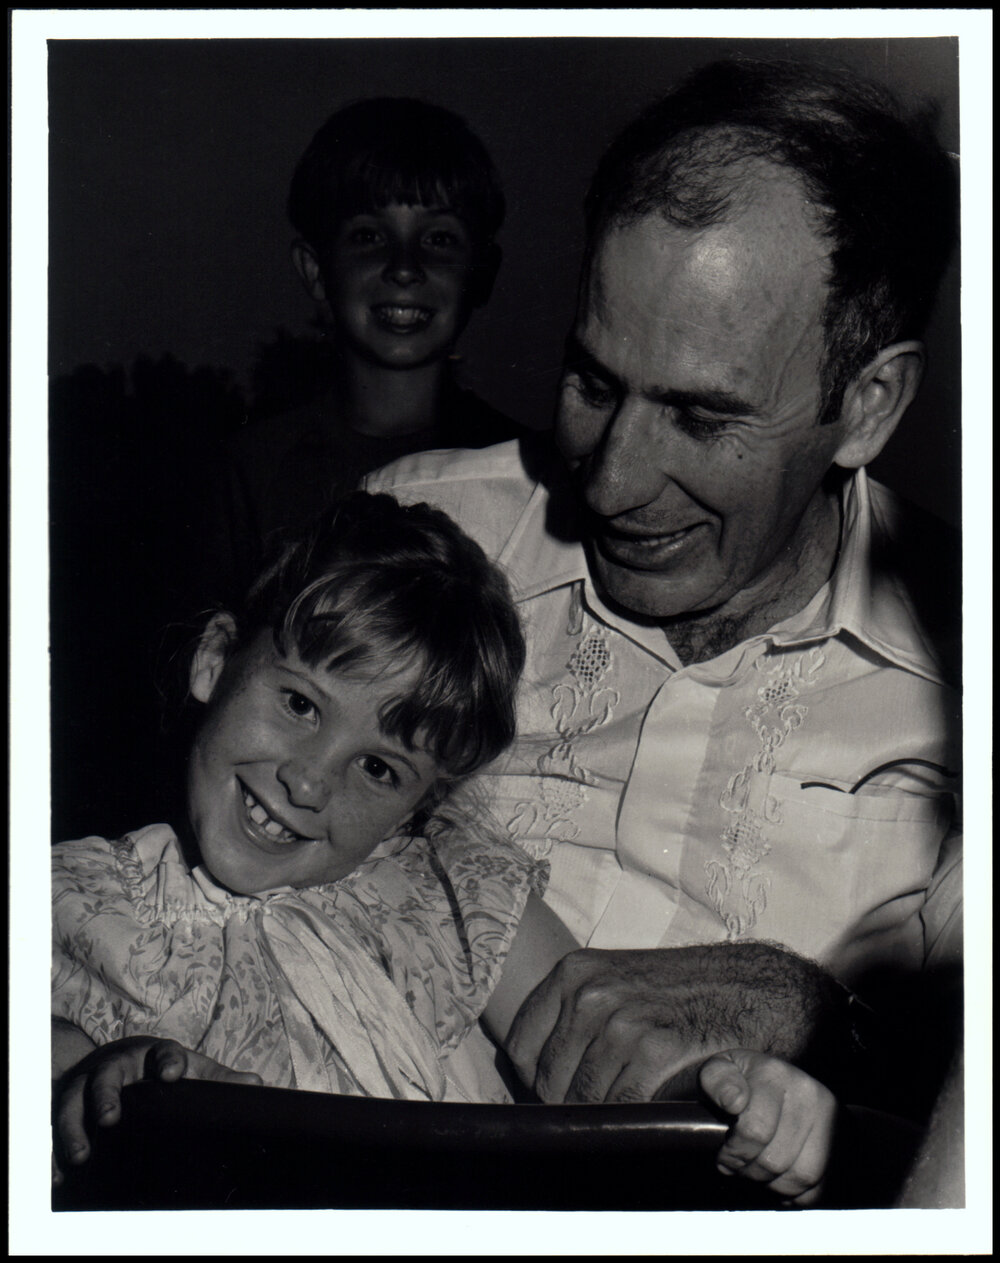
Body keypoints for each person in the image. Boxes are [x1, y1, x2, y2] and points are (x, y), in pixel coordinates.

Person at [366, 57, 962, 1130]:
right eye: (593, 384)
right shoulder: (414, 537)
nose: (610, 482)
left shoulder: (965, 661)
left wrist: (815, 1014)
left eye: (701, 417)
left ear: (869, 403)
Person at [51, 489, 837, 1206]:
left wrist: (735, 1094)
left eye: (379, 768)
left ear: (416, 805)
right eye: (299, 703)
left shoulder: (456, 891)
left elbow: (606, 1059)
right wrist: (92, 1088)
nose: (309, 780)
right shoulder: (64, 901)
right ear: (215, 658)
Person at [201, 97, 527, 609]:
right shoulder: (253, 470)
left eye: (440, 238)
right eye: (369, 236)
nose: (404, 268)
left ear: (481, 272)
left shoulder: (526, 470)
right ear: (315, 270)